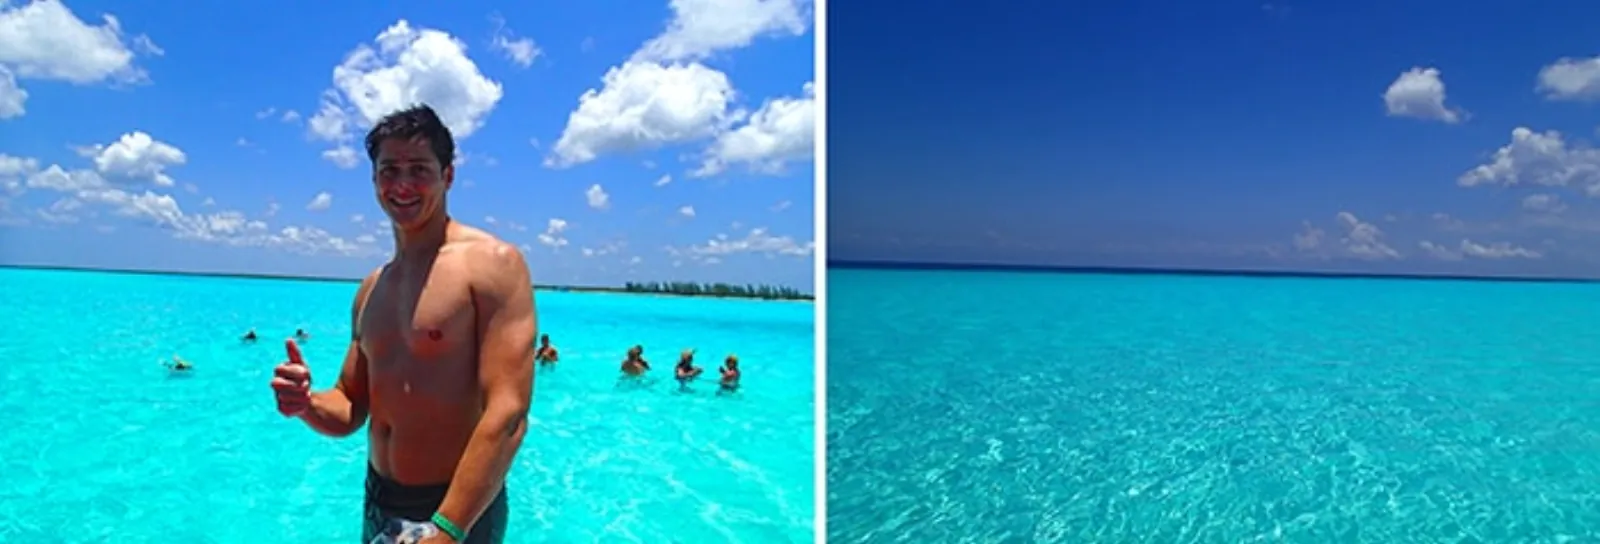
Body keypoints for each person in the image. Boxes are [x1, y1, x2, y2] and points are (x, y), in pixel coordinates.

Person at [268, 105, 535, 544]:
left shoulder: (491, 265)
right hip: (379, 499)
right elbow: (350, 406)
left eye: (419, 169)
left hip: (456, 509)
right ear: (374, 181)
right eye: (389, 170)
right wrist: (305, 404)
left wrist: (447, 529)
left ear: (448, 176)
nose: (403, 184)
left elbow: (508, 413)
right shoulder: (372, 288)